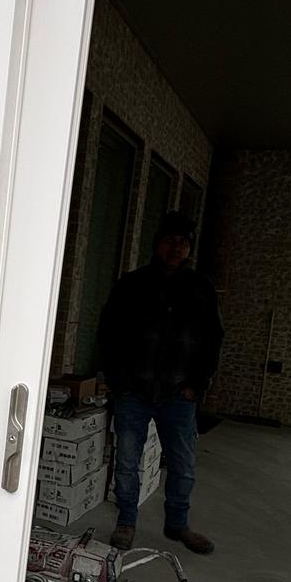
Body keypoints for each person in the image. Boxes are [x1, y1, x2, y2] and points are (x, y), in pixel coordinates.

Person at [97, 209, 223, 555]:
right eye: (169, 240)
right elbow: (108, 334)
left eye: (182, 242)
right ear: (157, 244)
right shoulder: (132, 284)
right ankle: (126, 521)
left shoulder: (201, 289)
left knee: (183, 465)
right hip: (133, 392)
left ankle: (178, 524)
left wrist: (197, 384)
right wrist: (119, 382)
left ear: (189, 248)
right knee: (127, 462)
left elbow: (213, 340)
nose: (175, 247)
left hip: (179, 394)